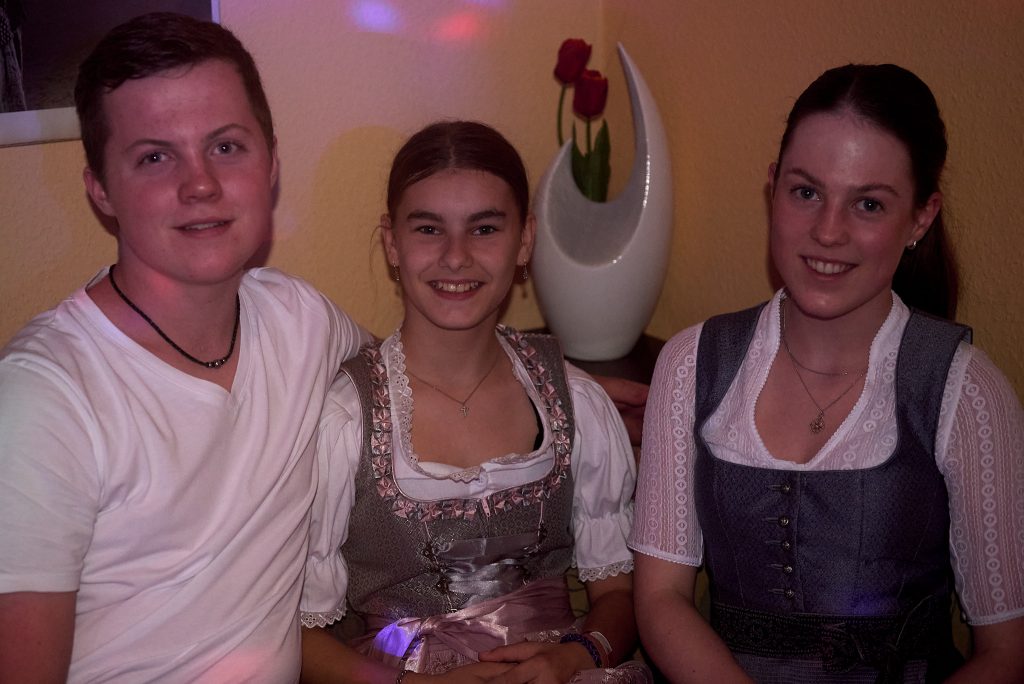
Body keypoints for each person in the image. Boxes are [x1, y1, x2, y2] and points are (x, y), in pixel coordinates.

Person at [0, 13, 371, 682]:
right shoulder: (45, 398)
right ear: (100, 188)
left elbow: (417, 375)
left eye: (226, 146)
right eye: (155, 156)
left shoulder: (299, 321)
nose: (200, 183)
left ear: (271, 162)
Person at [629, 64, 1024, 683]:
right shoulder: (691, 364)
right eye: (806, 192)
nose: (827, 231)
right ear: (773, 187)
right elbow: (661, 598)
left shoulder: (967, 391)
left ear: (921, 218)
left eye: (868, 204)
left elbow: (1005, 653)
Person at [298, 121, 651, 683]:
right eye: (428, 229)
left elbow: (618, 595)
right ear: (392, 243)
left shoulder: (575, 401)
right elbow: (297, 633)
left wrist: (578, 654)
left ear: (525, 240)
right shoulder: (346, 420)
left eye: (484, 228)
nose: (456, 257)